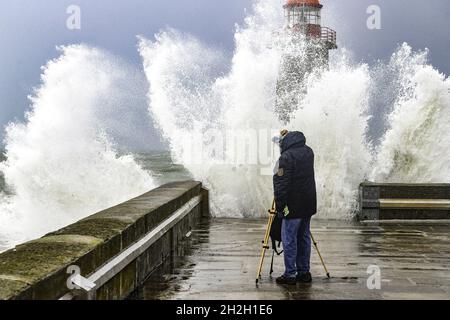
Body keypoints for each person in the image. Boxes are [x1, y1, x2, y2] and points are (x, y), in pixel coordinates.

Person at [273, 130, 317, 285]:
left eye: (279, 143)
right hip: (308, 203)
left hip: (292, 205)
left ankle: (290, 274)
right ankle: (304, 272)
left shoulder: (285, 157)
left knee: (289, 238)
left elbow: (281, 185)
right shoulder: (308, 152)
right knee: (304, 237)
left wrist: (280, 207)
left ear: (284, 143)